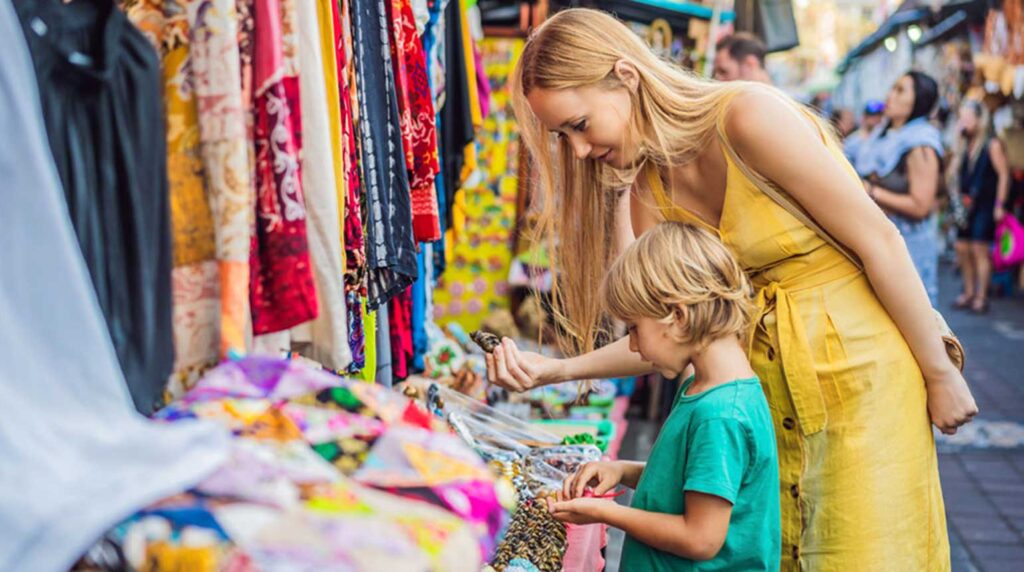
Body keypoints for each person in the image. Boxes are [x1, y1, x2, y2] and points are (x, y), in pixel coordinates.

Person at [494, 8, 976, 570]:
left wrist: (938, 372)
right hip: (765, 398)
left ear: (625, 76)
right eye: (562, 136)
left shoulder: (746, 115)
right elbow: (664, 332)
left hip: (857, 382)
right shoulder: (647, 190)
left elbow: (879, 241)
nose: (577, 151)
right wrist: (551, 369)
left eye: (579, 125)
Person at [545, 222, 781, 571]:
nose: (635, 346)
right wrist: (622, 471)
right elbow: (689, 484)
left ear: (678, 316)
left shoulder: (720, 416)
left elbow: (700, 538)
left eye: (635, 329)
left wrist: (607, 513)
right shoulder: (708, 391)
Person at [855, 72, 945, 306]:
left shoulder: (921, 144)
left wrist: (870, 191)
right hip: (879, 242)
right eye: (892, 88)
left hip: (909, 248)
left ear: (919, 101)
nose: (890, 95)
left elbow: (921, 206)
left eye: (900, 90)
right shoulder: (882, 135)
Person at [951, 99, 1011, 313]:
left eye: (968, 117)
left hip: (985, 203)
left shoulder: (991, 144)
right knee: (962, 247)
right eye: (962, 117)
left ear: (979, 120)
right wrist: (958, 141)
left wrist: (1000, 204)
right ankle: (968, 291)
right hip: (967, 205)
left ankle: (981, 296)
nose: (963, 122)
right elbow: (952, 173)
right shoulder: (964, 145)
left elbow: (1004, 175)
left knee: (979, 249)